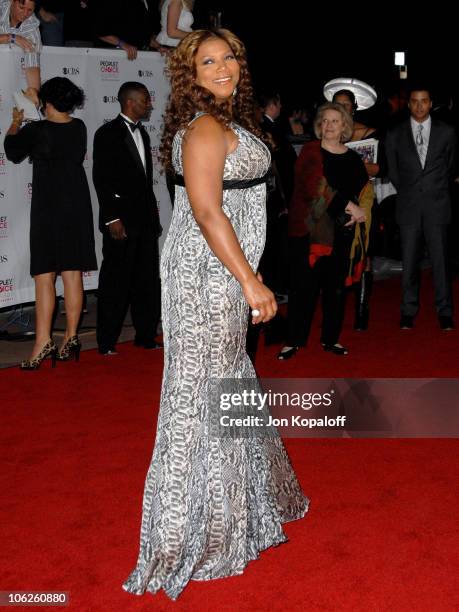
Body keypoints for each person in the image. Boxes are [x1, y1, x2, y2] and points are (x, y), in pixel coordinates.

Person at [122, 29, 308, 600]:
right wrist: (252, 283)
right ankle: (190, 534)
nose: (223, 66)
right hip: (207, 275)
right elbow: (206, 211)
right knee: (197, 392)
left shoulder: (229, 117)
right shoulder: (205, 126)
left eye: (229, 57)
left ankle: (250, 502)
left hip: (221, 272)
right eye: (208, 60)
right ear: (190, 72)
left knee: (226, 382)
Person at [3, 77, 97, 369]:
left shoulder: (36, 129)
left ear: (47, 101)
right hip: (77, 207)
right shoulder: (79, 127)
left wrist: (17, 120)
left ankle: (42, 342)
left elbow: (12, 151)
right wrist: (38, 106)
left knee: (45, 276)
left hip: (49, 208)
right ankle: (70, 337)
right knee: (72, 274)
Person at [277, 102, 373, 360]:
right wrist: (349, 207)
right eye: (325, 121)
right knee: (303, 288)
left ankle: (331, 339)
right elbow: (315, 187)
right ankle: (294, 340)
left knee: (336, 289)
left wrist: (357, 214)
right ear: (319, 125)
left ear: (345, 126)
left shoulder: (353, 158)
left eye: (335, 121)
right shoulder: (310, 151)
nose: (329, 125)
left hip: (342, 230)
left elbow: (364, 191)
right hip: (308, 233)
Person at [92, 82, 162, 355]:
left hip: (145, 222)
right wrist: (111, 219)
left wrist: (153, 218)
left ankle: (146, 336)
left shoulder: (143, 135)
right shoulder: (106, 134)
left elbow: (144, 183)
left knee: (146, 280)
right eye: (145, 100)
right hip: (120, 222)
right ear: (130, 102)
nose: (150, 105)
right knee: (115, 282)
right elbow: (102, 179)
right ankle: (106, 342)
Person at [385, 86, 458, 331]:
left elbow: (450, 167)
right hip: (408, 206)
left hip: (438, 205)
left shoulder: (447, 132)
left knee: (441, 263)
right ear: (408, 104)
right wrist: (411, 190)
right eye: (414, 101)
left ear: (430, 103)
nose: (419, 106)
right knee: (409, 263)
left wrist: (433, 188)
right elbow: (393, 171)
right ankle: (408, 311)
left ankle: (445, 312)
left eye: (424, 101)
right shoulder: (395, 134)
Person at [332, 88, 381, 331]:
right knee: (335, 255)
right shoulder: (328, 133)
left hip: (364, 200)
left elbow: (381, 169)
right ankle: (335, 311)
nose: (342, 108)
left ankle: (362, 309)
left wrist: (363, 167)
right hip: (337, 203)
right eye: (337, 104)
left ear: (354, 107)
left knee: (365, 253)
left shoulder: (368, 133)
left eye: (346, 105)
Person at [0, 0, 41, 104]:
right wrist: (10, 38)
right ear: (12, 1)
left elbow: (32, 66)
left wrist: (34, 92)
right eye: (21, 7)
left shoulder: (32, 28)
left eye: (30, 10)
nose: (25, 14)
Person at [93, 0, 158, 60]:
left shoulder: (144, 3)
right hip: (110, 57)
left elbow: (139, 33)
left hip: (134, 57)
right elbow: (99, 30)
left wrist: (158, 47)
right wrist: (123, 44)